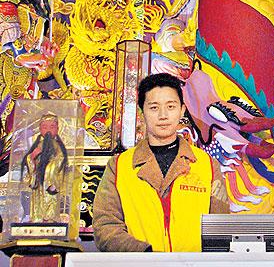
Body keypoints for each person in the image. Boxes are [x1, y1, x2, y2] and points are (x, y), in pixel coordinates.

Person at [93, 72, 229, 252]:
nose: (163, 115)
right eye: (154, 108)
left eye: (171, 106)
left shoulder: (206, 165)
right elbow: (105, 227)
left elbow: (221, 228)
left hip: (192, 264)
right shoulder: (119, 166)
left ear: (182, 110)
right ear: (142, 112)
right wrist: (146, 255)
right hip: (139, 263)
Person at [21, 112, 68, 222]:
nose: (48, 130)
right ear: (40, 129)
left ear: (57, 129)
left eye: (52, 127)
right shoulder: (38, 144)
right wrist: (32, 157)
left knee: (50, 200)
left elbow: (60, 161)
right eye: (45, 127)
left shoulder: (58, 146)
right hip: (38, 182)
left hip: (50, 182)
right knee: (37, 201)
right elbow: (30, 161)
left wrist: (48, 172)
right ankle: (37, 218)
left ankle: (50, 218)